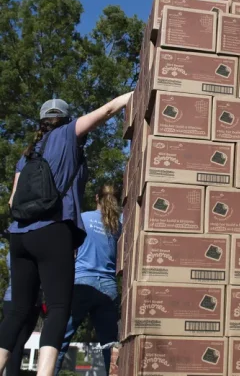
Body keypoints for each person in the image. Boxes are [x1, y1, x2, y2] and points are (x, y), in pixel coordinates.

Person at [0, 93, 132, 376]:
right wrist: (136, 92)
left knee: (17, 312)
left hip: (20, 236)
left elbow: (12, 203)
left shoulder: (28, 154)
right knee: (59, 308)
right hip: (53, 230)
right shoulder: (68, 135)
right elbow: (107, 110)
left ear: (42, 121)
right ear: (66, 118)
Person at [54, 184, 122, 375]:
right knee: (109, 345)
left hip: (82, 283)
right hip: (108, 288)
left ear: (96, 198)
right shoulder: (120, 225)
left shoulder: (83, 218)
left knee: (60, 340)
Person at [2, 250, 43, 376]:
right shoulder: (19, 247)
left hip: (34, 303)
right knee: (13, 346)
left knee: (18, 346)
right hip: (15, 301)